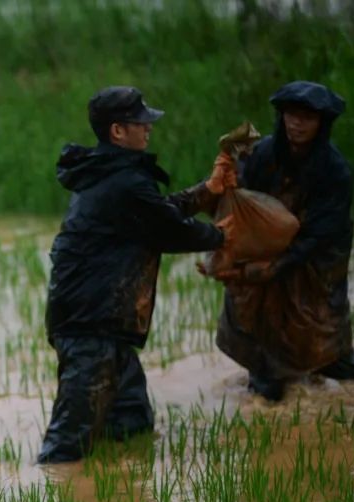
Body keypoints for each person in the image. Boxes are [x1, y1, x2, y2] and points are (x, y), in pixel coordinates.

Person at [37, 86, 226, 464]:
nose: (148, 129)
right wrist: (224, 237)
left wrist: (206, 192)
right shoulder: (124, 181)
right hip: (89, 328)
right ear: (117, 132)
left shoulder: (109, 174)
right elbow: (167, 229)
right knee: (68, 445)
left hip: (105, 328)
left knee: (132, 425)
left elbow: (154, 213)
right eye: (140, 123)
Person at [211, 81, 354, 401]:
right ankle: (266, 372)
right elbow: (242, 204)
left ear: (322, 123)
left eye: (306, 117)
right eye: (291, 115)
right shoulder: (263, 154)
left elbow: (323, 231)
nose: (296, 124)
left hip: (318, 252)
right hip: (267, 243)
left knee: (320, 319)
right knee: (259, 312)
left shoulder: (335, 171)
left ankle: (333, 360)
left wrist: (280, 263)